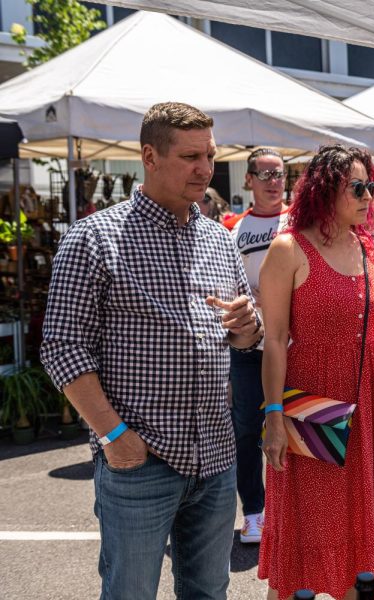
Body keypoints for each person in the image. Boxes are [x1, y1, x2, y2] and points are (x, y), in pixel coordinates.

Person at [41, 102, 263, 599]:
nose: (204, 168)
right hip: (141, 461)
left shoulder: (218, 239)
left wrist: (248, 327)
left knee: (209, 592)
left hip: (216, 455)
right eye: (190, 156)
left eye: (208, 154)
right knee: (131, 593)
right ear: (149, 156)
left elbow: (241, 335)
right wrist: (115, 436)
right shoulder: (94, 238)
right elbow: (61, 347)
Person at [258, 144, 374, 600]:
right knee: (310, 531)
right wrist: (272, 417)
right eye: (358, 187)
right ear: (327, 189)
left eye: (372, 186)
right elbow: (273, 339)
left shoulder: (372, 248)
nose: (370, 196)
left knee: (355, 529)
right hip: (314, 403)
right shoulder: (289, 248)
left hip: (368, 401)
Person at [222, 147, 289, 544]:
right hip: (249, 346)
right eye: (263, 175)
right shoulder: (234, 227)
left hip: (294, 342)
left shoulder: (301, 220)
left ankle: (293, 510)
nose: (272, 181)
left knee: (297, 426)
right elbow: (223, 282)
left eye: (278, 174)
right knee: (247, 429)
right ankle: (254, 512)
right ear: (248, 180)